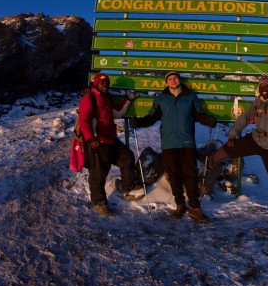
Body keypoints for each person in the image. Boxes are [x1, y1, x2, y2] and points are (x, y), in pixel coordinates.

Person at [130, 71, 217, 223]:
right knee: (174, 174)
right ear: (166, 82)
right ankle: (180, 204)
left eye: (175, 78)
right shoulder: (161, 99)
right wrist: (139, 122)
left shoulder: (190, 96)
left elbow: (199, 114)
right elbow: (152, 117)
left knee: (191, 174)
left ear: (179, 80)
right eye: (170, 79)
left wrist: (208, 120)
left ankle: (195, 207)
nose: (173, 80)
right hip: (169, 144)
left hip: (187, 142)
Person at [208, 75, 268, 221]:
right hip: (256, 138)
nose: (264, 89)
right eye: (261, 87)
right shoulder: (257, 103)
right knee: (231, 147)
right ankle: (210, 162)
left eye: (266, 86)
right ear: (258, 89)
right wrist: (232, 134)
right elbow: (245, 118)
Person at [79, 73, 138, 217]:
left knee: (127, 157)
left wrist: (128, 99)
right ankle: (99, 202)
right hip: (97, 142)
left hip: (112, 140)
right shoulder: (89, 98)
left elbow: (117, 113)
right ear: (96, 84)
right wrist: (90, 138)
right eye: (102, 83)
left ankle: (127, 186)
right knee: (98, 174)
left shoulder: (106, 98)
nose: (105, 85)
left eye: (107, 83)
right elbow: (84, 120)